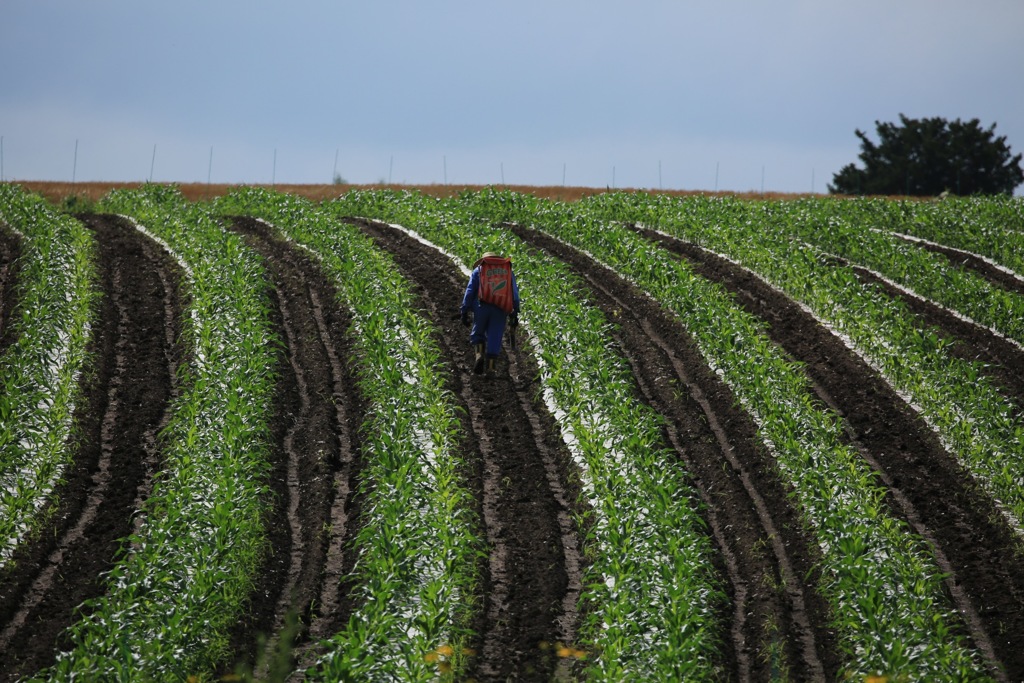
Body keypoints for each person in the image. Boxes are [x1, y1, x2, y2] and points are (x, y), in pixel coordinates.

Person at [460, 251, 520, 375]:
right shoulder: (508, 272)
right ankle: (491, 368)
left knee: (478, 332)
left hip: (481, 306)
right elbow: (514, 292)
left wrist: (465, 309)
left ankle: (479, 355)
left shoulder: (479, 270)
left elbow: (470, 290)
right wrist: (515, 310)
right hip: (501, 308)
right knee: (495, 335)